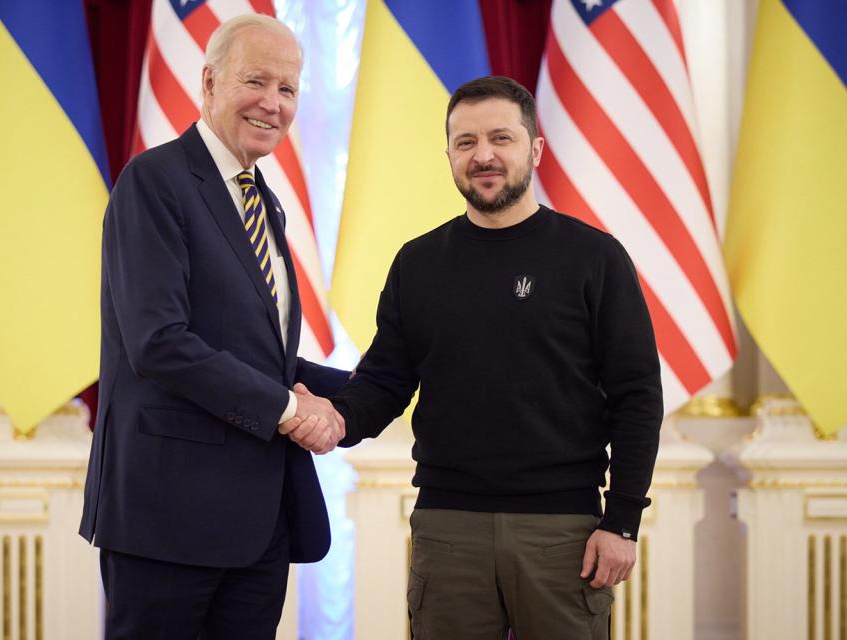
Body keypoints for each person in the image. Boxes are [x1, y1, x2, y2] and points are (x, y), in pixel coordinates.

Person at [320, 75, 662, 639]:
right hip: (447, 531)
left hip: (566, 535)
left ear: (535, 148)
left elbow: (638, 398)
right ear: (450, 154)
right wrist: (331, 417)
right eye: (465, 142)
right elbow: (383, 382)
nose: (483, 155)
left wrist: (622, 521)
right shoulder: (418, 264)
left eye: (501, 138)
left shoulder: (594, 258)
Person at [79, 14, 348, 640]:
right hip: (167, 518)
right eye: (256, 81)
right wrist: (290, 411)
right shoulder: (155, 181)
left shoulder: (263, 201)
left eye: (288, 89)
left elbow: (263, 359)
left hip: (258, 526)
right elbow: (160, 343)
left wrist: (380, 388)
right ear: (208, 81)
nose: (273, 104)